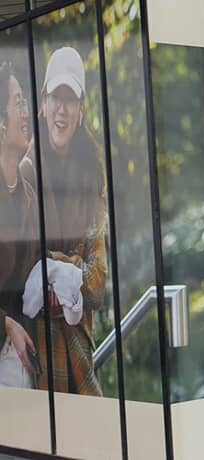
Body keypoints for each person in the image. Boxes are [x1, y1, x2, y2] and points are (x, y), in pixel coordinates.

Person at [33, 47, 107, 396]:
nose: (61, 109)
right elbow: (22, 281)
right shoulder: (23, 171)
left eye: (70, 99)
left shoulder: (90, 174)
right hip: (36, 360)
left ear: (81, 110)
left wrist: (57, 266)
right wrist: (72, 271)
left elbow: (97, 281)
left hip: (80, 357)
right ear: (43, 103)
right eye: (55, 97)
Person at [0, 62, 40, 388]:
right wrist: (4, 324)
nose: (25, 114)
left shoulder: (28, 196)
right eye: (17, 103)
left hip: (19, 365)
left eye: (26, 104)